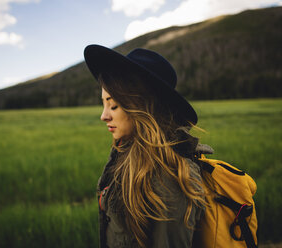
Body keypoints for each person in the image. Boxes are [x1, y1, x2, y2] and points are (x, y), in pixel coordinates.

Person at [84, 44, 213, 248]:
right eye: (103, 104)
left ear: (142, 106)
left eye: (113, 105)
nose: (104, 116)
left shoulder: (171, 178)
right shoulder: (124, 156)